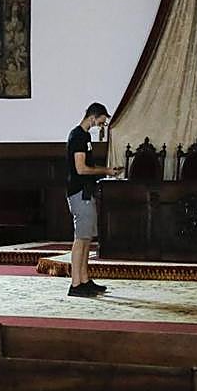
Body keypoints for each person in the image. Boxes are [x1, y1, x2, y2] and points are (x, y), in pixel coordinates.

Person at [66, 102, 121, 297]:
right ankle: (75, 284)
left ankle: (84, 280)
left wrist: (106, 172)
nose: (100, 125)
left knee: (87, 238)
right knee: (80, 238)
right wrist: (105, 170)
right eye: (101, 122)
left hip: (86, 191)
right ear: (93, 117)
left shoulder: (85, 136)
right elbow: (81, 169)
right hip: (79, 192)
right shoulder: (77, 136)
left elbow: (88, 166)